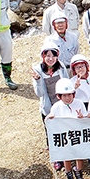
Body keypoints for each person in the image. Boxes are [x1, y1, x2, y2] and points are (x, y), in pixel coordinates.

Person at [45, 78, 90, 179]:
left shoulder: (79, 103)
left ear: (74, 94)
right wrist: (49, 117)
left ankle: (79, 176)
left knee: (79, 157)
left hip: (77, 136)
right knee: (66, 158)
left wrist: (83, 117)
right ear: (59, 96)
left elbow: (85, 117)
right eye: (64, 95)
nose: (67, 98)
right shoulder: (56, 107)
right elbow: (50, 118)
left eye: (69, 95)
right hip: (65, 137)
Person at [30, 41, 69, 170]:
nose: (51, 59)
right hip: (48, 106)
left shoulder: (61, 67)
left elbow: (66, 84)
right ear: (43, 56)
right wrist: (38, 80)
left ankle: (67, 154)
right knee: (51, 133)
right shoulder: (37, 70)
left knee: (64, 130)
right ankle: (57, 158)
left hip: (62, 105)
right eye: (47, 56)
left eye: (53, 55)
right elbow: (39, 93)